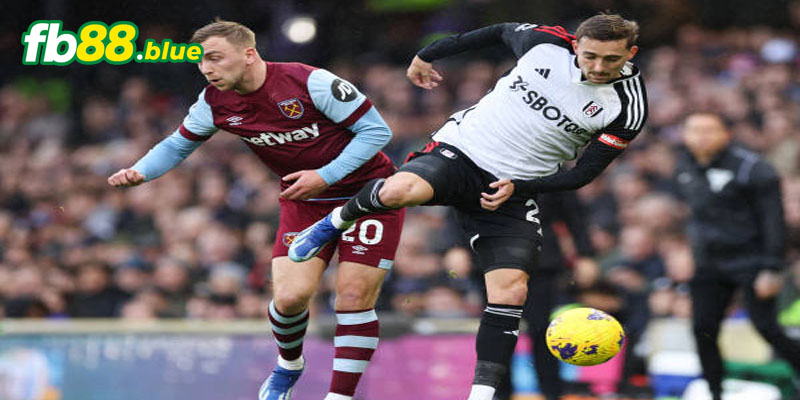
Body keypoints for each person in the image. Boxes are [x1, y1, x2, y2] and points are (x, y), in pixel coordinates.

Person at [290, 13, 647, 399]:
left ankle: (482, 394)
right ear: (576, 45)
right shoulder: (546, 43)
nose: (597, 67)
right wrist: (430, 53)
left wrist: (521, 185)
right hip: (461, 151)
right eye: (590, 55)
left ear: (630, 53)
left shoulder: (628, 107)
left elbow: (583, 174)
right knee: (399, 191)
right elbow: (495, 31)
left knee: (511, 290)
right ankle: (331, 223)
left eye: (610, 60)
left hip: (511, 187)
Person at [107, 20, 404, 400]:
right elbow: (178, 144)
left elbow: (377, 132)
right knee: (289, 299)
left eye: (215, 58)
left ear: (249, 54)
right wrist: (140, 171)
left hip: (369, 197)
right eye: (200, 62)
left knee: (352, 297)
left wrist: (326, 176)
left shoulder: (309, 82)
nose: (207, 69)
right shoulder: (214, 102)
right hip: (306, 202)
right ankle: (289, 364)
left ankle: (339, 396)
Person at [675, 112, 800, 400]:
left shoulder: (753, 169)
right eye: (694, 130)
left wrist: (772, 267)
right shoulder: (685, 165)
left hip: (752, 260)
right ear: (684, 136)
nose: (701, 136)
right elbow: (696, 215)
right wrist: (688, 250)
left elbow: (774, 220)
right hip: (709, 262)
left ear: (725, 134)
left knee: (767, 328)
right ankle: (714, 391)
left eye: (709, 130)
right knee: (703, 329)